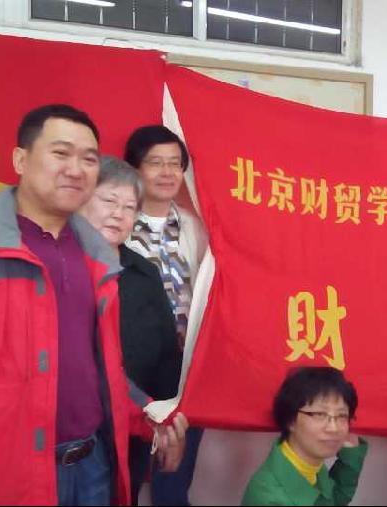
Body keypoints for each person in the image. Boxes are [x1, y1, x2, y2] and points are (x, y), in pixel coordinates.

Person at [0, 105, 186, 506]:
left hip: (93, 465)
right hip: (10, 472)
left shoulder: (95, 256)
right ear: (21, 159)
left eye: (88, 158)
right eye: (60, 153)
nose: (76, 169)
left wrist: (150, 414)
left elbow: (97, 368)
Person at [77, 156, 185, 505]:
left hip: (134, 428)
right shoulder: (57, 265)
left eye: (129, 208)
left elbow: (166, 355)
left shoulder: (143, 273)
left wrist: (167, 421)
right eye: (109, 201)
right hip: (74, 432)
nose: (118, 214)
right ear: (81, 200)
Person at [124, 125, 208, 506]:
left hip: (185, 372)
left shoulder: (196, 227)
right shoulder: (115, 222)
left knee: (173, 478)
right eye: (155, 163)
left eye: (175, 164)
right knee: (126, 471)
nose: (167, 172)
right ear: (134, 169)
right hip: (132, 370)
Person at [242, 367, 368, 506]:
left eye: (342, 415)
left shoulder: (308, 464)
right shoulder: (269, 498)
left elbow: (331, 500)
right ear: (291, 420)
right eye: (319, 414)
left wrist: (350, 458)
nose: (334, 428)